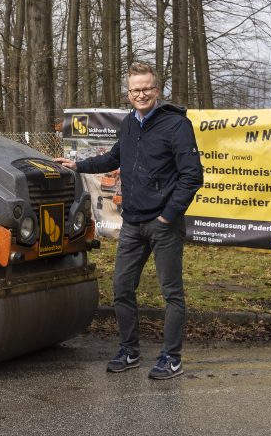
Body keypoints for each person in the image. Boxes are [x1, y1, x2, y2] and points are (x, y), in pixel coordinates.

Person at [56, 62, 203, 380]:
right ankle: (129, 350)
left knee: (171, 293)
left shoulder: (176, 125)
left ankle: (171, 357)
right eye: (135, 89)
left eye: (147, 88)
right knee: (122, 287)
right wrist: (76, 164)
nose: (141, 94)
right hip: (133, 222)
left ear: (157, 90)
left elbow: (192, 176)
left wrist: (168, 215)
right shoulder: (129, 125)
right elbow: (113, 158)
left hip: (164, 224)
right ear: (128, 93)